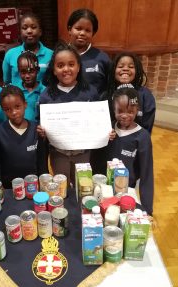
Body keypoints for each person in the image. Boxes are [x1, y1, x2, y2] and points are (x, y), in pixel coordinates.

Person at [38, 41, 114, 185]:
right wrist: (41, 130)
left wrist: (106, 132)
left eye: (71, 64)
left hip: (83, 153)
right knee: (62, 187)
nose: (66, 69)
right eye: (60, 66)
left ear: (78, 67)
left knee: (83, 185)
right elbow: (41, 123)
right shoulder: (46, 96)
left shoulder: (90, 92)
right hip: (58, 153)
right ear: (54, 70)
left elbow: (98, 121)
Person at [108, 85, 154, 215]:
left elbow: (147, 174)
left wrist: (147, 210)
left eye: (130, 111)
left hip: (128, 190)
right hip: (104, 188)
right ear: (113, 109)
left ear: (137, 110)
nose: (124, 115)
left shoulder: (142, 137)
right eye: (120, 110)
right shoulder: (108, 129)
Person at [0, 85, 48, 189]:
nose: (14, 112)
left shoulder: (37, 129)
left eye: (17, 106)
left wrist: (44, 182)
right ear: (3, 110)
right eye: (8, 109)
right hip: (9, 187)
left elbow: (42, 162)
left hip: (34, 186)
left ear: (25, 104)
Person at [107, 52, 156, 134]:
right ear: (113, 70)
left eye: (131, 67)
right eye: (120, 66)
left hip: (136, 142)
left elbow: (147, 126)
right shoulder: (107, 93)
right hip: (111, 142)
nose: (125, 69)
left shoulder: (145, 95)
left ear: (137, 71)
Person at [67, 8, 111, 97]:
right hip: (65, 109)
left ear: (93, 33)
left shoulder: (102, 58)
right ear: (69, 29)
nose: (82, 33)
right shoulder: (58, 57)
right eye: (78, 28)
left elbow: (110, 87)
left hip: (96, 109)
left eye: (87, 30)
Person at [2, 12, 53, 87]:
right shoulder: (10, 54)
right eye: (24, 28)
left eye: (33, 27)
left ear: (40, 32)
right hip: (17, 97)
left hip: (43, 98)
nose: (29, 31)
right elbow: (7, 82)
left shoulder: (51, 55)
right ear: (20, 32)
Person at [17, 51, 45, 122]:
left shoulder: (45, 92)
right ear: (18, 71)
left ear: (37, 70)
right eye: (23, 72)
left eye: (31, 71)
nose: (27, 76)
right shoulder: (15, 92)